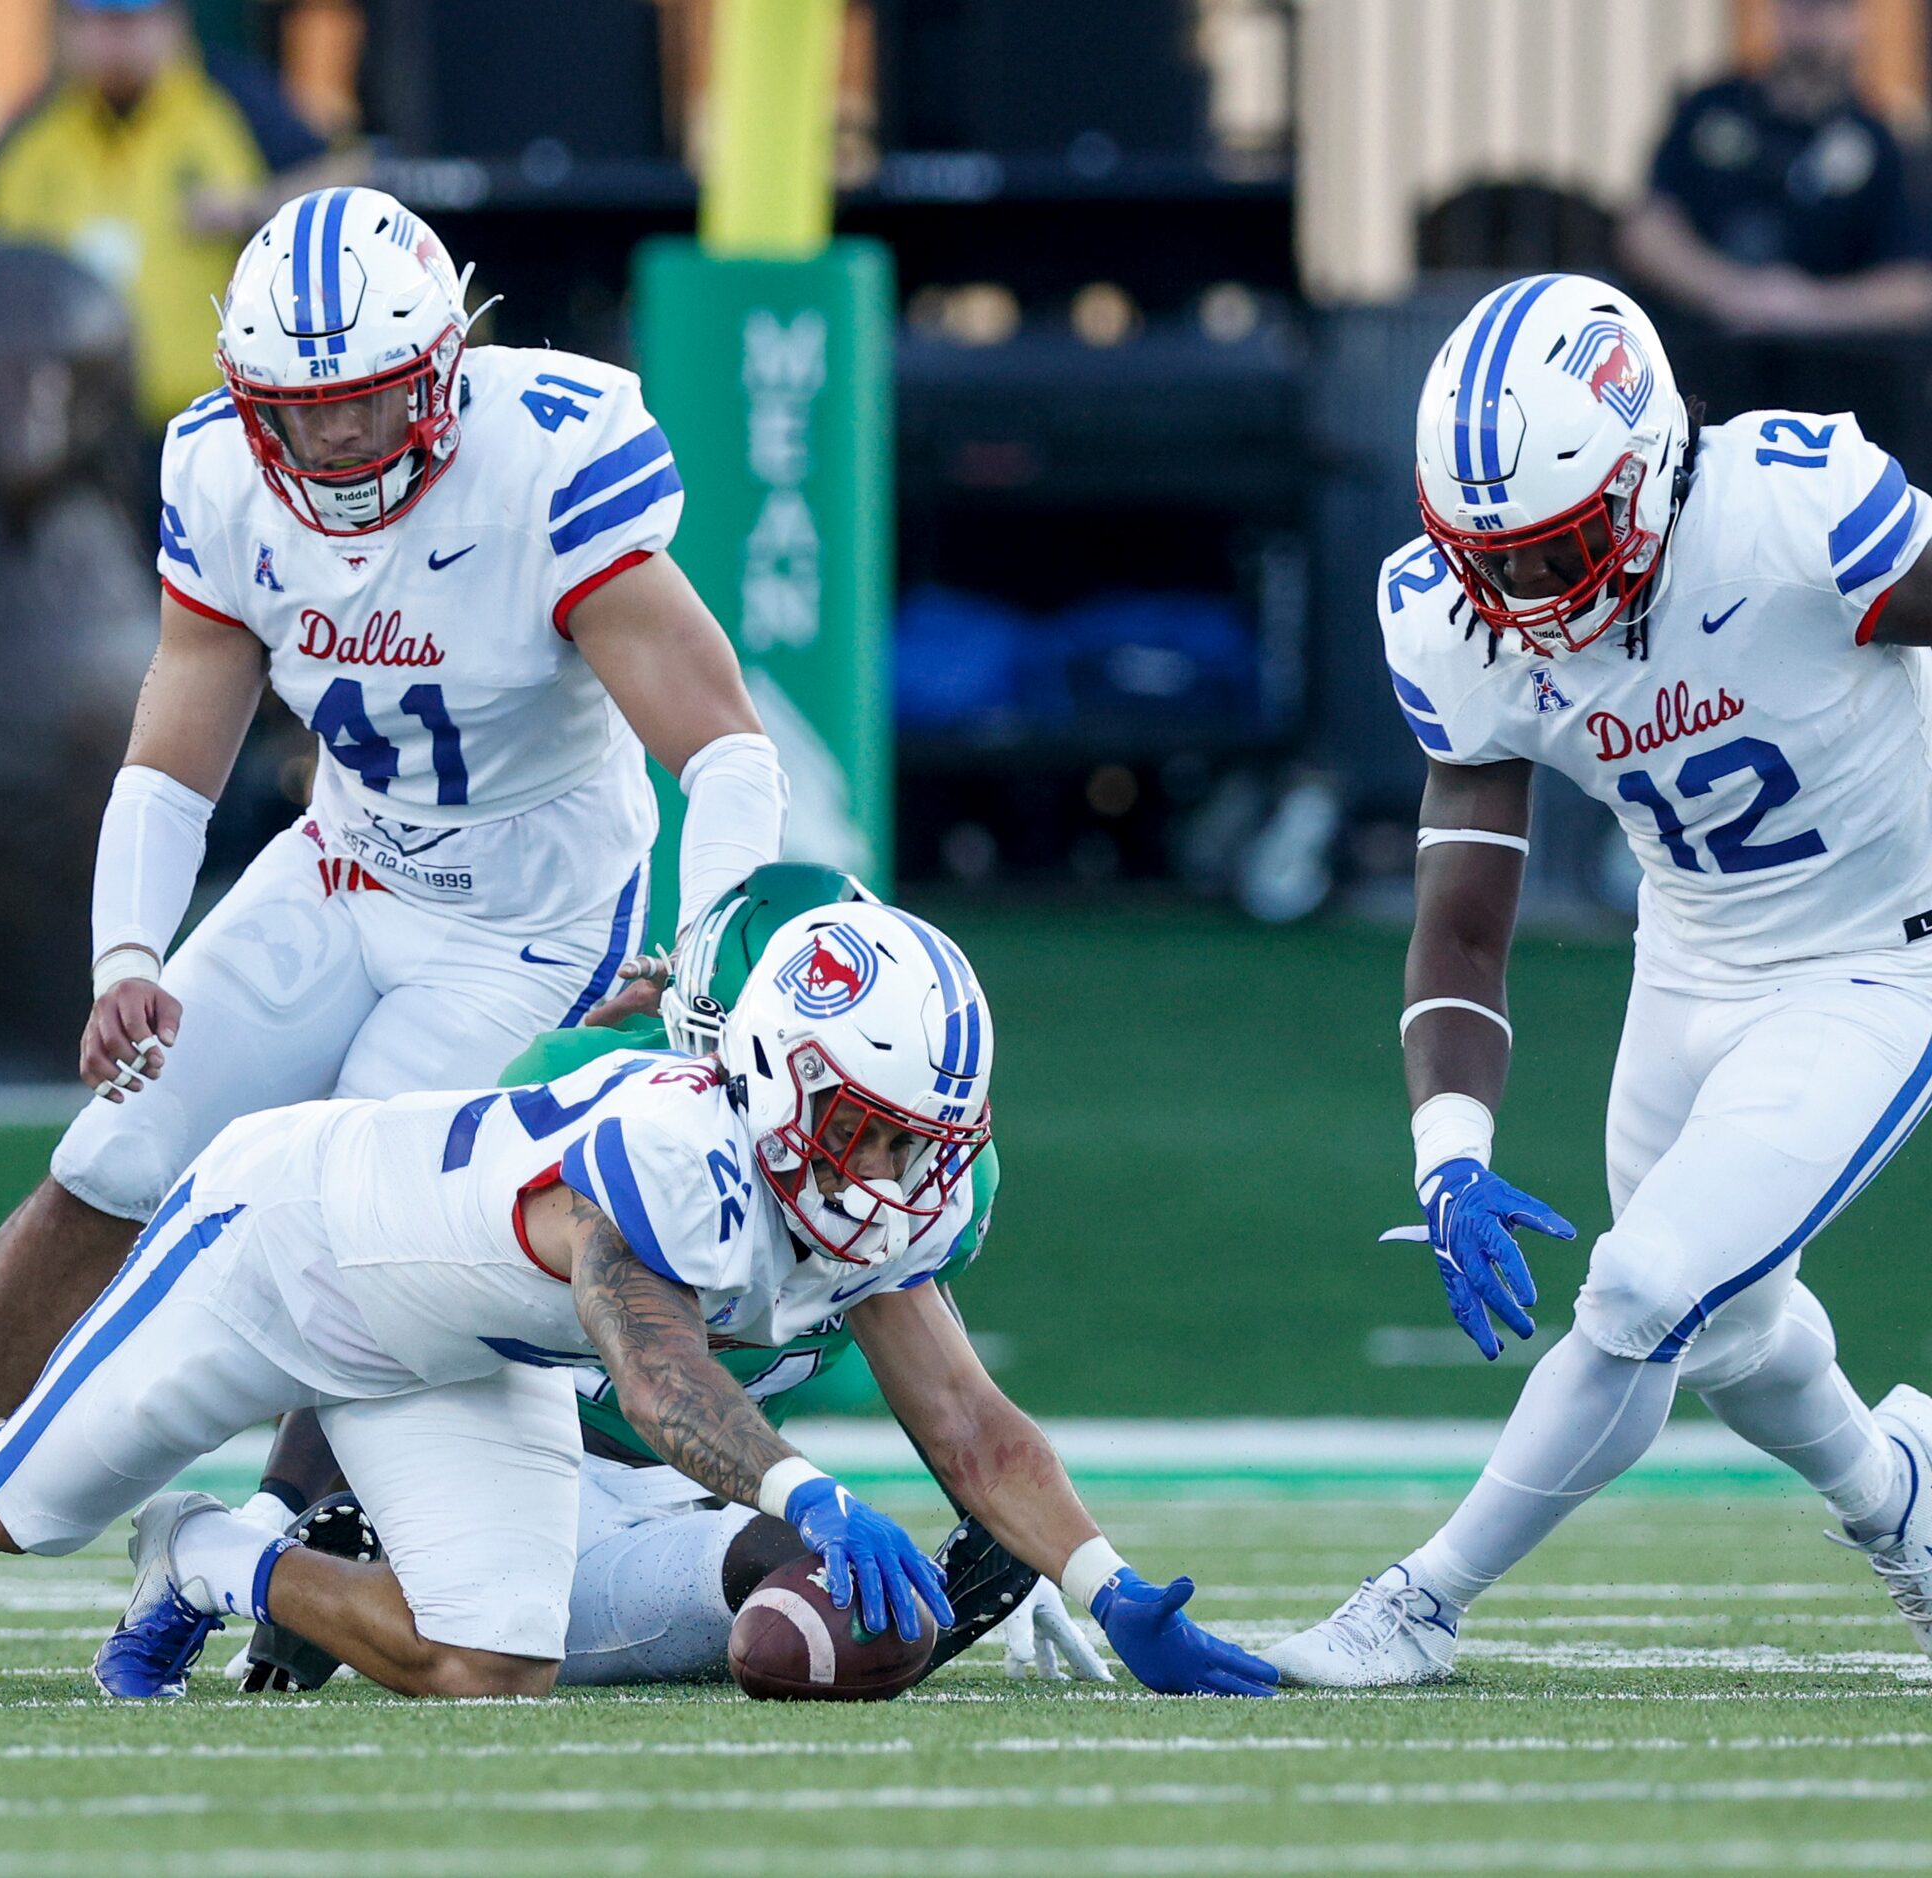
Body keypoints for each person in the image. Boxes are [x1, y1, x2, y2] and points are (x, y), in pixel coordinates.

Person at [0, 185, 793, 1641]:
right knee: (108, 1161)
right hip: (343, 861)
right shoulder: (216, 469)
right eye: (300, 406)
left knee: (368, 1243)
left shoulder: (547, 461)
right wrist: (125, 951)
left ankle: (257, 1538)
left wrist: (711, 970)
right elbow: (177, 732)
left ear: (445, 365)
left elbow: (726, 749)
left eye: (369, 402)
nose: (331, 439)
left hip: (531, 911)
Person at [0, 905, 1274, 1701]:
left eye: (924, 1140)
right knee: (19, 1500)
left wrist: (1118, 1583)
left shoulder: (863, 1199)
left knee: (488, 1669)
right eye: (867, 1127)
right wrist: (800, 1485)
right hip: (285, 1242)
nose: (892, 1171)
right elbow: (656, 1381)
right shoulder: (671, 1138)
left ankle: (217, 1552)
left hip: (455, 1348)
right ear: (779, 1083)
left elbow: (974, 1430)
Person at [1265, 274, 1932, 1687]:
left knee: (1642, 1289)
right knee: (1734, 1331)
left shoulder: (1790, 508)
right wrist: (1449, 1155)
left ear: (1643, 475)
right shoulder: (1451, 620)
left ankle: (1418, 1605)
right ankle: (1905, 1500)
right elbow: (1459, 929)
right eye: (1483, 555)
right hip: (1691, 955)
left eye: (1548, 548)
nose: (1511, 594)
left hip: (1884, 957)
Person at [223, 862, 1106, 1691]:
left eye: (889, 1122)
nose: (874, 1163)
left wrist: (1048, 1550)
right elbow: (391, 1299)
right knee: (526, 1629)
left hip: (698, 1491)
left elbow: (955, 1403)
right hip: (513, 1451)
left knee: (810, 1599)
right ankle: (332, 1565)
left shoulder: (877, 1173)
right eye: (841, 1099)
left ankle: (370, 1569)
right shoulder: (605, 1103)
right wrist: (276, 1504)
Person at [0, 0, 365, 430]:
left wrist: (257, 205)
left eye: (131, 22)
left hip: (214, 413)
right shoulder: (31, 128)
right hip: (68, 424)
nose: (116, 43)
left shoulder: (230, 99)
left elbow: (352, 170)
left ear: (173, 24)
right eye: (98, 24)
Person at [1619, 0, 1932, 341]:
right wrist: (1731, 291)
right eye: (1799, 5)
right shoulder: (1709, 109)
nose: (1814, 21)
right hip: (1697, 358)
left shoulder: (1884, 143)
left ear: (1858, 22)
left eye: (1834, 7)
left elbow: (1914, 285)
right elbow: (1647, 231)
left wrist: (1809, 307)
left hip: (1827, 376)